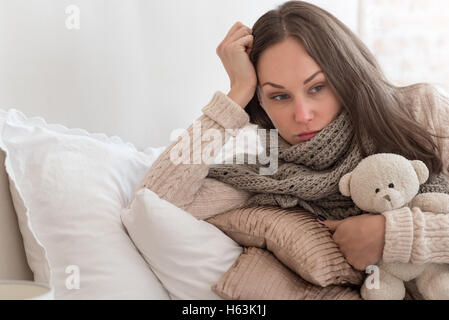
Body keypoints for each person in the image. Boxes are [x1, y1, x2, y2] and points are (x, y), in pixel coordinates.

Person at [134, 1, 449, 273]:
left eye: (317, 88)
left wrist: (392, 236)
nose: (302, 115)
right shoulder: (269, 174)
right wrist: (236, 94)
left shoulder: (420, 110)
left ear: (347, 77)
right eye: (279, 96)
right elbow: (154, 204)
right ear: (259, 102)